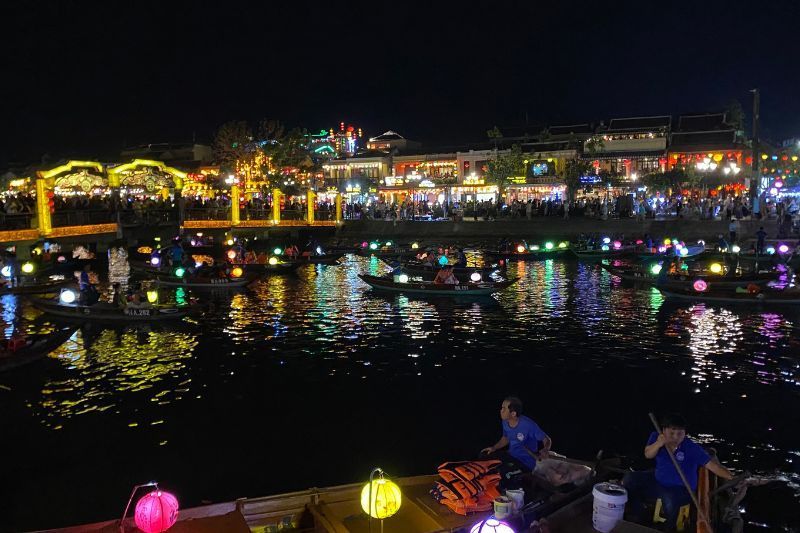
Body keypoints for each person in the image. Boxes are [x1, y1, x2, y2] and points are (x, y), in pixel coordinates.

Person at [623, 413, 734, 528]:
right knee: (630, 479)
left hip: (681, 489)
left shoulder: (691, 447)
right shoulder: (656, 436)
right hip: (658, 480)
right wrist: (658, 443)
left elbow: (712, 465)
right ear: (664, 430)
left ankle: (667, 529)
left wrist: (732, 478)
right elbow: (648, 454)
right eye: (671, 433)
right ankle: (637, 514)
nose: (676, 437)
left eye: (680, 433)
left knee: (671, 502)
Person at [481, 397, 552, 473]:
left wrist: (545, 449)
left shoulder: (528, 425)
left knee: (502, 473)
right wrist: (494, 448)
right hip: (511, 455)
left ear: (513, 413)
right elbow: (506, 438)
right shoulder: (505, 422)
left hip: (526, 462)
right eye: (502, 408)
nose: (501, 411)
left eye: (504, 409)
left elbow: (546, 439)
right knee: (484, 457)